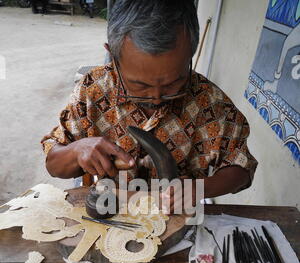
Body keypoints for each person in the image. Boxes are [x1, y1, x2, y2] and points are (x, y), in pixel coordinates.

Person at [42, 0, 258, 214]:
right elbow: (54, 165)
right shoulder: (93, 89)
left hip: (178, 217)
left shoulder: (209, 100)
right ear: (112, 54)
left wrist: (201, 188)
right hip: (111, 209)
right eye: (139, 85)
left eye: (174, 82)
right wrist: (76, 151)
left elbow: (242, 169)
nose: (156, 98)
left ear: (190, 55)